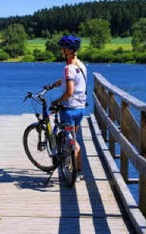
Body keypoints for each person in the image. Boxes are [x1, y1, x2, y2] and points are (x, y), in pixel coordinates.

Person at [51, 35, 87, 181]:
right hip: (81, 108)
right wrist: (58, 83)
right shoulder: (81, 66)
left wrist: (56, 101)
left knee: (73, 144)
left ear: (67, 50)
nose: (61, 50)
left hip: (70, 109)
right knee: (73, 139)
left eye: (62, 48)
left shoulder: (68, 68)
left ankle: (74, 173)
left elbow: (70, 92)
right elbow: (74, 82)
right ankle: (79, 172)